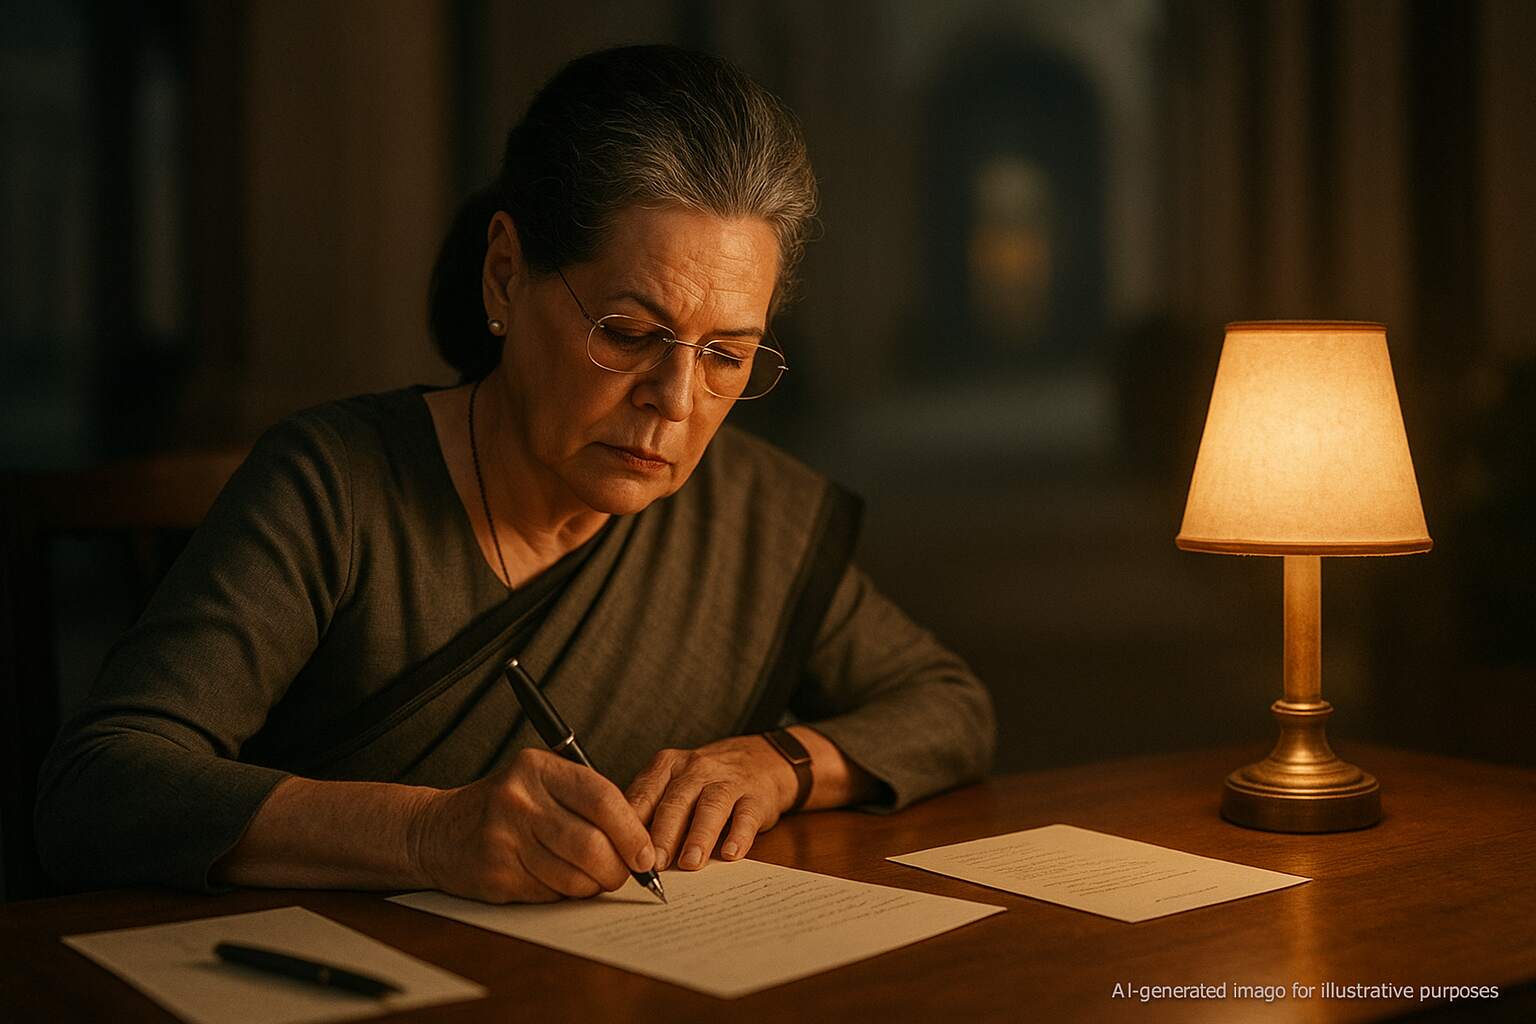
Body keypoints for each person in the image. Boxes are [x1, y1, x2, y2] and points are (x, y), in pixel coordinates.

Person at [34, 45, 994, 903]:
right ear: (505, 275)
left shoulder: (755, 516)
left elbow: (947, 705)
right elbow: (103, 785)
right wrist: (424, 833)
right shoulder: (335, 488)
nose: (674, 399)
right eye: (627, 333)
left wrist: (778, 763)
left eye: (726, 357)